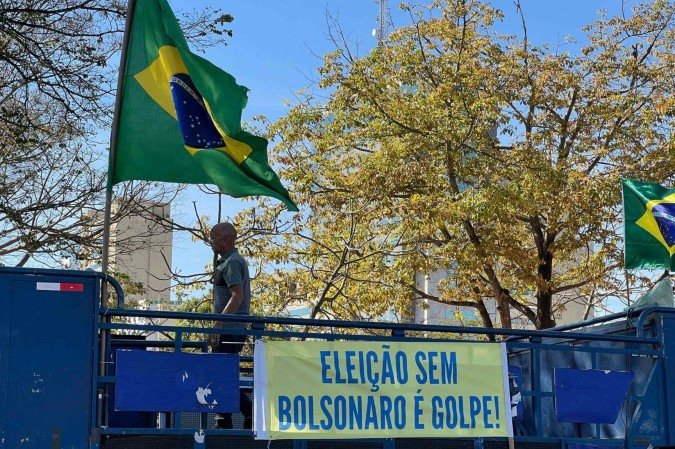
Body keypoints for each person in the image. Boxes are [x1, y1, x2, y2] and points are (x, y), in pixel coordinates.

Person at [208, 222, 253, 430]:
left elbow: (237, 296)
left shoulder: (232, 262)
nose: (210, 241)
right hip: (232, 327)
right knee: (222, 373)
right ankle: (225, 417)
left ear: (226, 240)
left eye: (213, 237)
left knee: (220, 373)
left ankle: (244, 413)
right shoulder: (230, 261)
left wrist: (218, 324)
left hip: (230, 328)